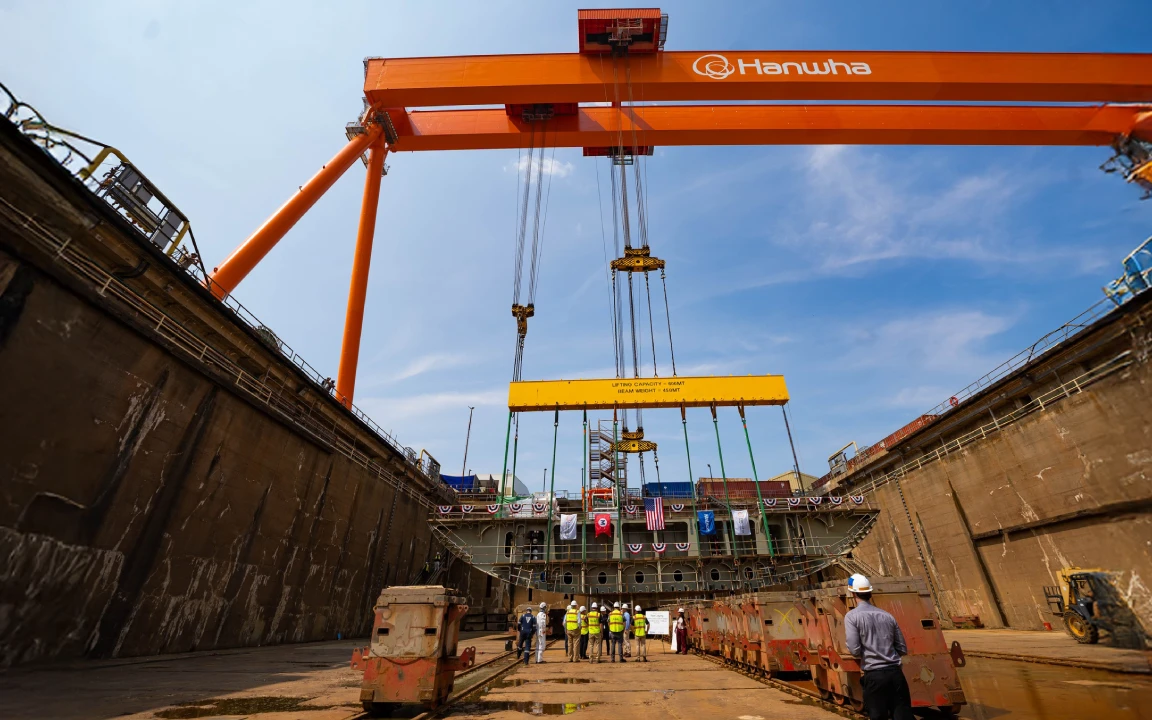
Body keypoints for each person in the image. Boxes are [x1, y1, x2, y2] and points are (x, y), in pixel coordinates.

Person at [844, 574, 912, 720]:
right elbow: (901, 648)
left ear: (853, 593)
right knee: (903, 716)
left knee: (878, 716)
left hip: (874, 676)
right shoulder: (887, 615)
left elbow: (854, 650)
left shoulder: (852, 616)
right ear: (870, 593)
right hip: (896, 675)